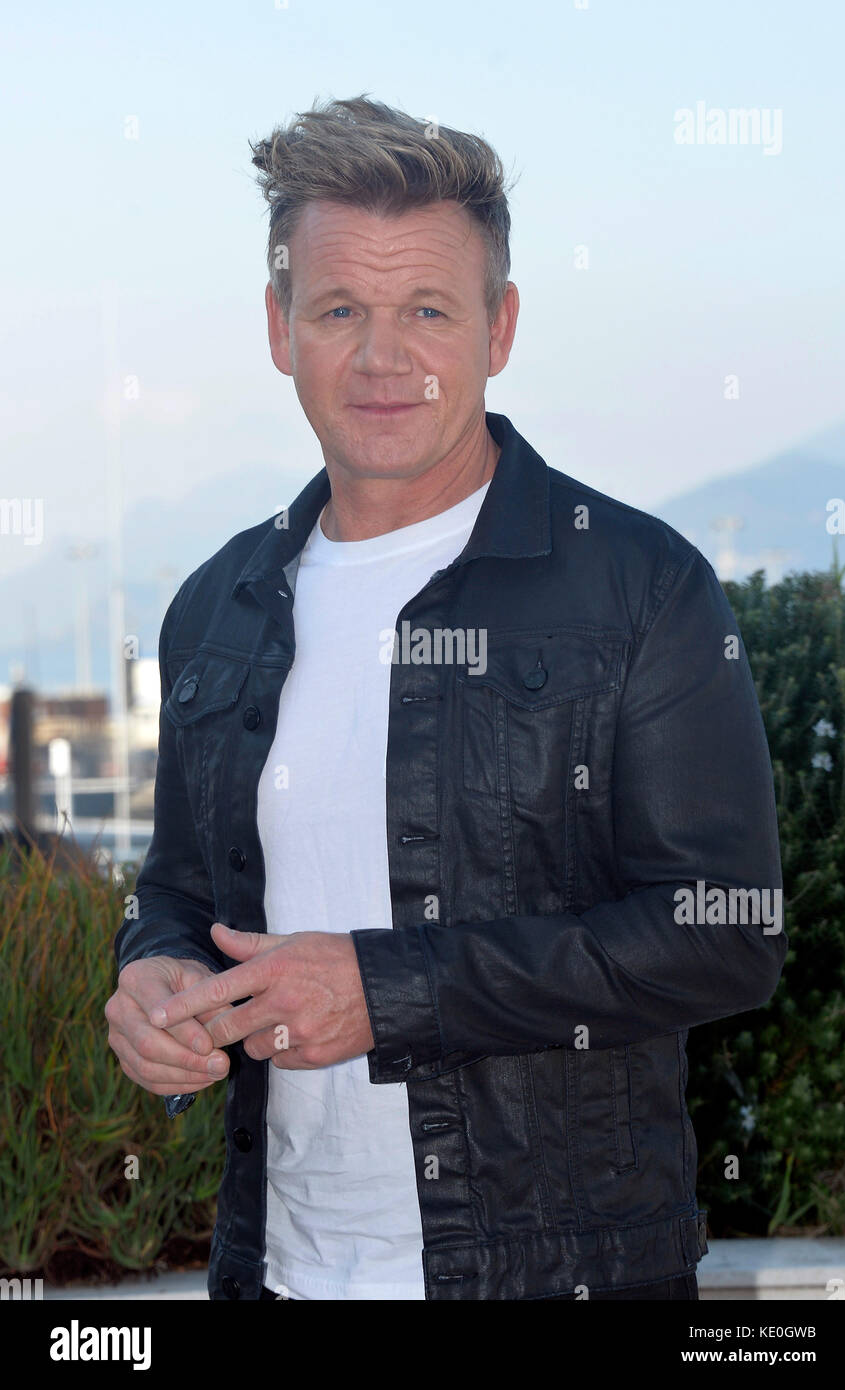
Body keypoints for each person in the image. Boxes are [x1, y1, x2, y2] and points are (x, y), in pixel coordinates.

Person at [107, 95, 786, 1301]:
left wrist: (389, 989)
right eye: (337, 311)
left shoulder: (639, 588)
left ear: (499, 325)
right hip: (272, 1272)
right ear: (278, 328)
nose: (381, 358)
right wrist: (156, 978)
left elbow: (724, 930)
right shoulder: (217, 605)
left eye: (426, 309)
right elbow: (179, 890)